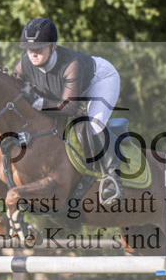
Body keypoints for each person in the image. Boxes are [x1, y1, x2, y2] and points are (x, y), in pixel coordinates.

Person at [13, 17, 124, 202]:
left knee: (94, 125)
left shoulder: (71, 64)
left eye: (39, 48)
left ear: (53, 46)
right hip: (70, 90)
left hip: (100, 79)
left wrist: (39, 102)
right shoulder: (25, 63)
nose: (33, 53)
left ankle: (112, 177)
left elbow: (71, 107)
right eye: (29, 48)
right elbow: (13, 89)